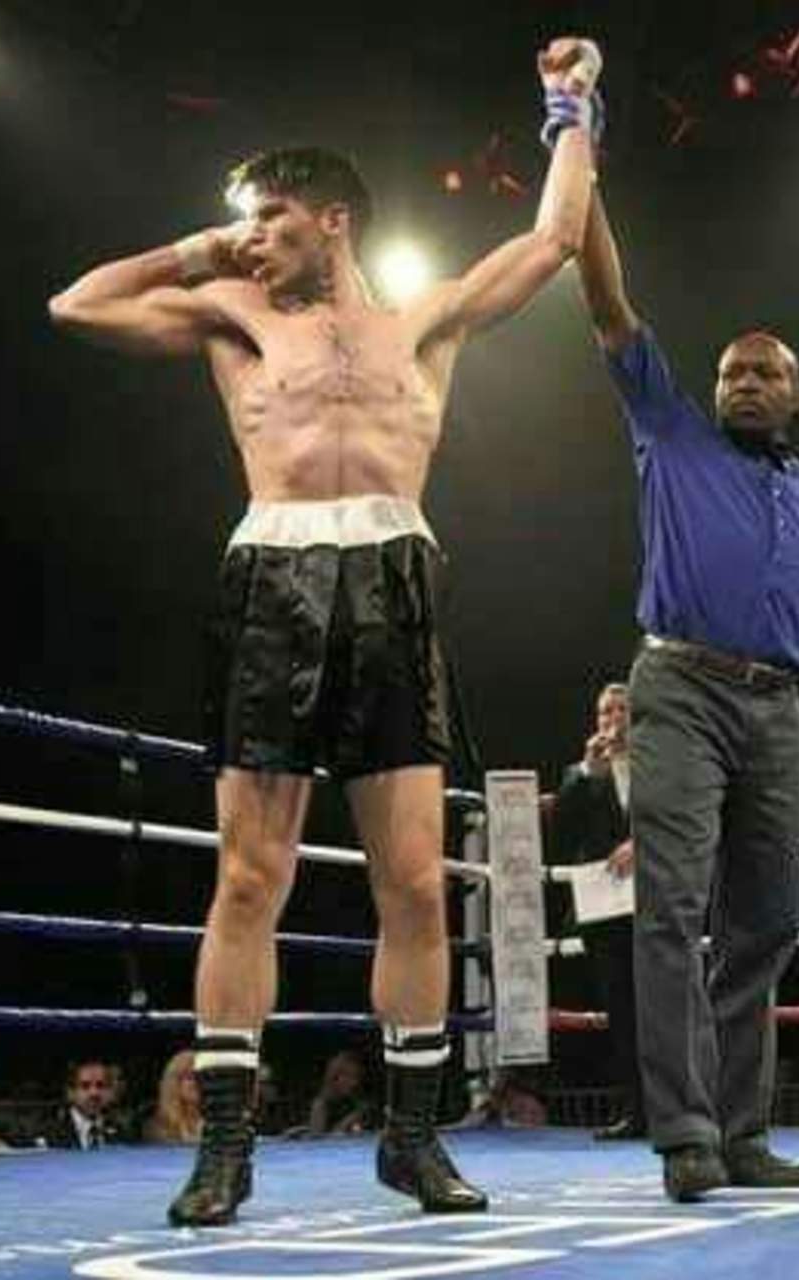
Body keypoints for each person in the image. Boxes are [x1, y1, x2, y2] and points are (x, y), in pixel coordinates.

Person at [48, 38, 603, 1223]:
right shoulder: (234, 315)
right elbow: (76, 303)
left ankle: (411, 1138)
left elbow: (555, 238)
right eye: (245, 221)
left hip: (395, 578)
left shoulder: (425, 321)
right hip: (274, 577)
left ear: (333, 218)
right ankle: (224, 1146)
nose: (252, 236)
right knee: (250, 874)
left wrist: (571, 105)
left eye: (270, 216)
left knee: (413, 880)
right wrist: (199, 250)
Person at [572, 185, 799, 1202]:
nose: (743, 381)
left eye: (764, 371)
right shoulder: (670, 431)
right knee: (670, 905)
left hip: (777, 706)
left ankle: (742, 1132)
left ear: (794, 391)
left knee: (766, 923)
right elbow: (607, 303)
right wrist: (584, 174)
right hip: (679, 686)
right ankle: (684, 1132)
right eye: (731, 370)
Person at [552, 681, 645, 1139]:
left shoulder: (660, 764)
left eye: (621, 710)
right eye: (605, 712)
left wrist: (642, 843)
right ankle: (637, 1110)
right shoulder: (581, 774)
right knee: (621, 1012)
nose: (612, 719)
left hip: (655, 902)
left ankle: (680, 1109)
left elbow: (684, 817)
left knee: (664, 1007)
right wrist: (589, 770)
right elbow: (562, 833)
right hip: (604, 909)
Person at [44, 1059, 124, 1150]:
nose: (94, 1093)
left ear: (109, 1091)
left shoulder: (121, 1131)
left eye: (100, 1085)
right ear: (71, 1092)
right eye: (85, 1086)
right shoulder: (50, 1132)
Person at [306, 1048, 377, 1135]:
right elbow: (320, 1141)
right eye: (349, 1077)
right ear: (336, 1078)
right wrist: (348, 1120)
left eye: (357, 1077)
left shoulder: (352, 1101)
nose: (355, 1083)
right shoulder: (321, 1105)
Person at [144, 1050, 204, 1145]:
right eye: (190, 1077)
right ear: (174, 1083)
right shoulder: (158, 1126)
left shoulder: (217, 1121)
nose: (197, 1083)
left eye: (201, 1077)